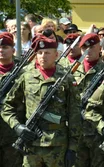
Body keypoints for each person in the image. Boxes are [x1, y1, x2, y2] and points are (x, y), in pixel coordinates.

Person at [1, 36, 80, 167]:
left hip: (57, 145)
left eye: (47, 53)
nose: (43, 56)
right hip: (31, 144)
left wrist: (73, 147)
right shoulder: (26, 76)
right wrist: (17, 126)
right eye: (40, 53)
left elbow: (74, 115)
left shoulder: (66, 78)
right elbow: (7, 106)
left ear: (56, 54)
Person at [73, 33, 104, 167]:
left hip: (99, 132)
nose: (88, 50)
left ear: (99, 48)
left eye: (91, 47)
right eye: (84, 47)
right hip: (77, 132)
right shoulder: (72, 72)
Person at [0, 33, 23, 167]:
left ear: (13, 50)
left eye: (5, 47)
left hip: (13, 132)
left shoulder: (24, 73)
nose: (1, 50)